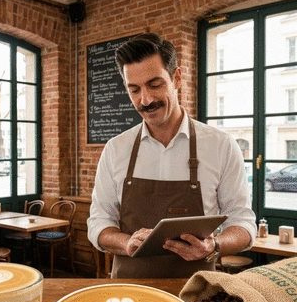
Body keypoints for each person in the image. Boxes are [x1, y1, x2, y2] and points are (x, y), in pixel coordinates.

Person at [87, 33, 257, 278]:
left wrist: (214, 245)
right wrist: (126, 243)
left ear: (177, 78)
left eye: (155, 85)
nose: (145, 100)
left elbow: (243, 223)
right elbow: (99, 222)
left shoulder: (221, 146)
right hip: (128, 292)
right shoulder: (116, 149)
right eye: (134, 90)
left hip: (197, 292)